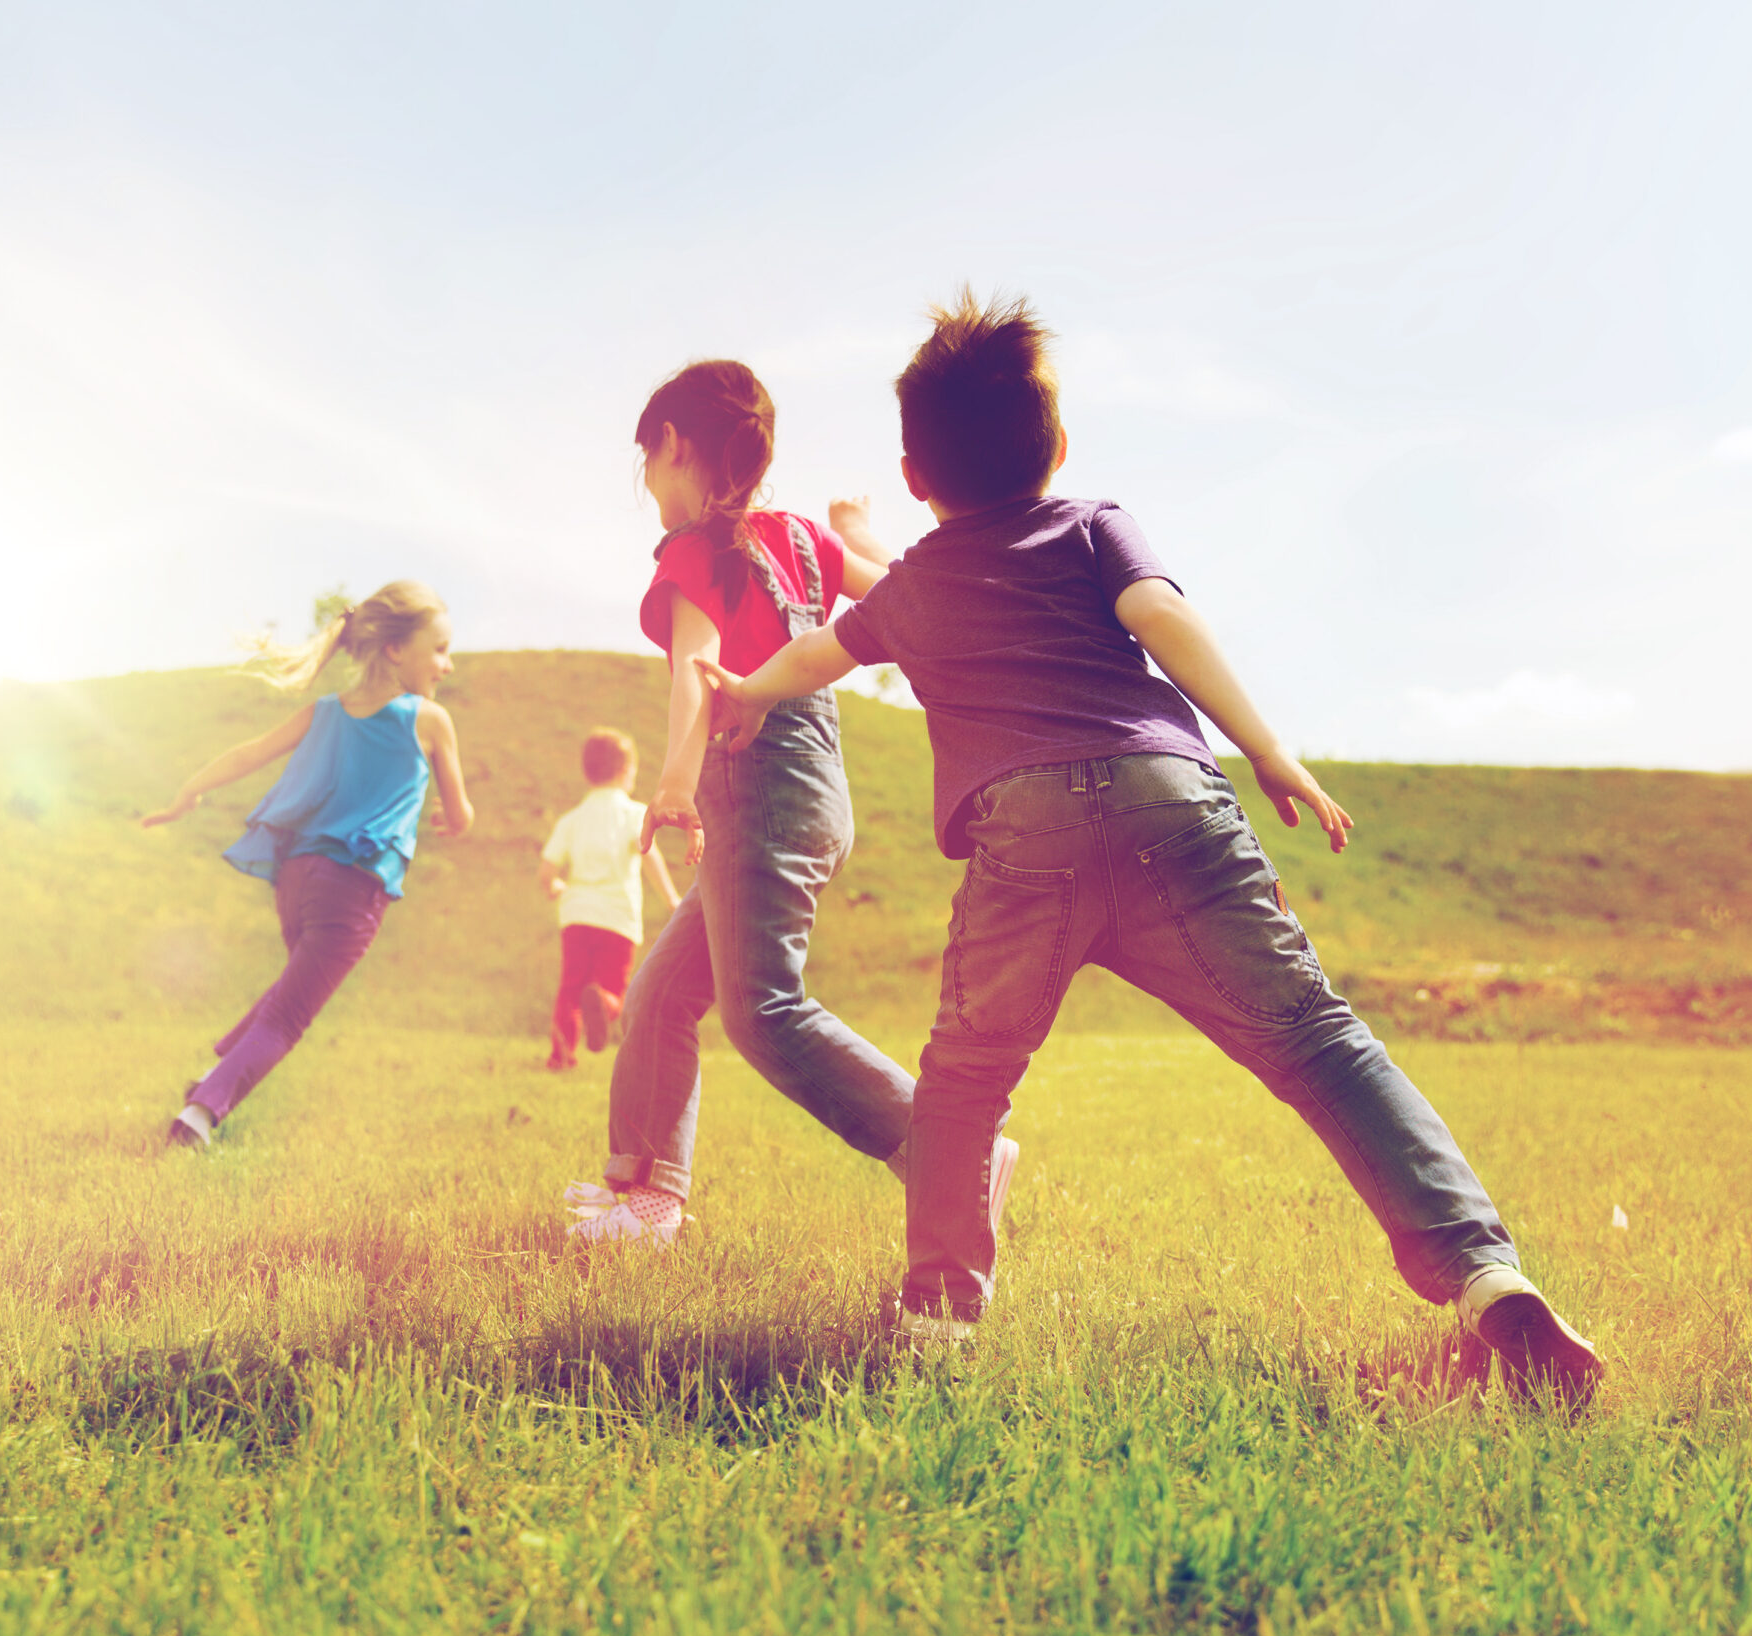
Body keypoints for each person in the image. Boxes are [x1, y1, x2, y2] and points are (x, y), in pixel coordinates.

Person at [696, 294, 1602, 1401]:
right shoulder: (1090, 525)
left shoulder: (918, 582)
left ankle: (939, 1318)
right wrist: (1265, 749)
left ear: (916, 474)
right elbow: (1165, 622)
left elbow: (816, 657)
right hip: (1171, 806)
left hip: (1021, 833)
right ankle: (1486, 1277)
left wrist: (740, 694)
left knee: (966, 1082)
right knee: (1318, 1042)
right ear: (1057, 448)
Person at [564, 359, 1012, 1247]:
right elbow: (900, 598)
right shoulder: (802, 537)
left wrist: (670, 784)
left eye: (647, 464)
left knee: (761, 1010)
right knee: (660, 993)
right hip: (813, 787)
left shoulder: (697, 550)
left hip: (754, 781)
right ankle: (647, 1201)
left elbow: (697, 673)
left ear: (676, 447)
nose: (649, 487)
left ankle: (957, 1154)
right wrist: (862, 533)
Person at [140, 580, 473, 1148]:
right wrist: (450, 815)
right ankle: (200, 1115)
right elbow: (462, 815)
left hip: (296, 877)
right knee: (290, 1016)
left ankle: (215, 1073)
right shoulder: (429, 720)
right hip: (354, 890)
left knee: (292, 986)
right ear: (396, 650)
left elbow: (248, 753)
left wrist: (187, 793)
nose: (447, 664)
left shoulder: (324, 712)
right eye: (439, 648)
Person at [540, 728, 682, 1071]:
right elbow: (649, 855)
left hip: (576, 913)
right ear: (624, 771)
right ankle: (603, 1003)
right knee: (615, 987)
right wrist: (672, 900)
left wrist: (556, 886)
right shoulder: (634, 814)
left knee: (570, 987)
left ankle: (561, 1054)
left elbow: (547, 870)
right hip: (617, 918)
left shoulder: (572, 819)